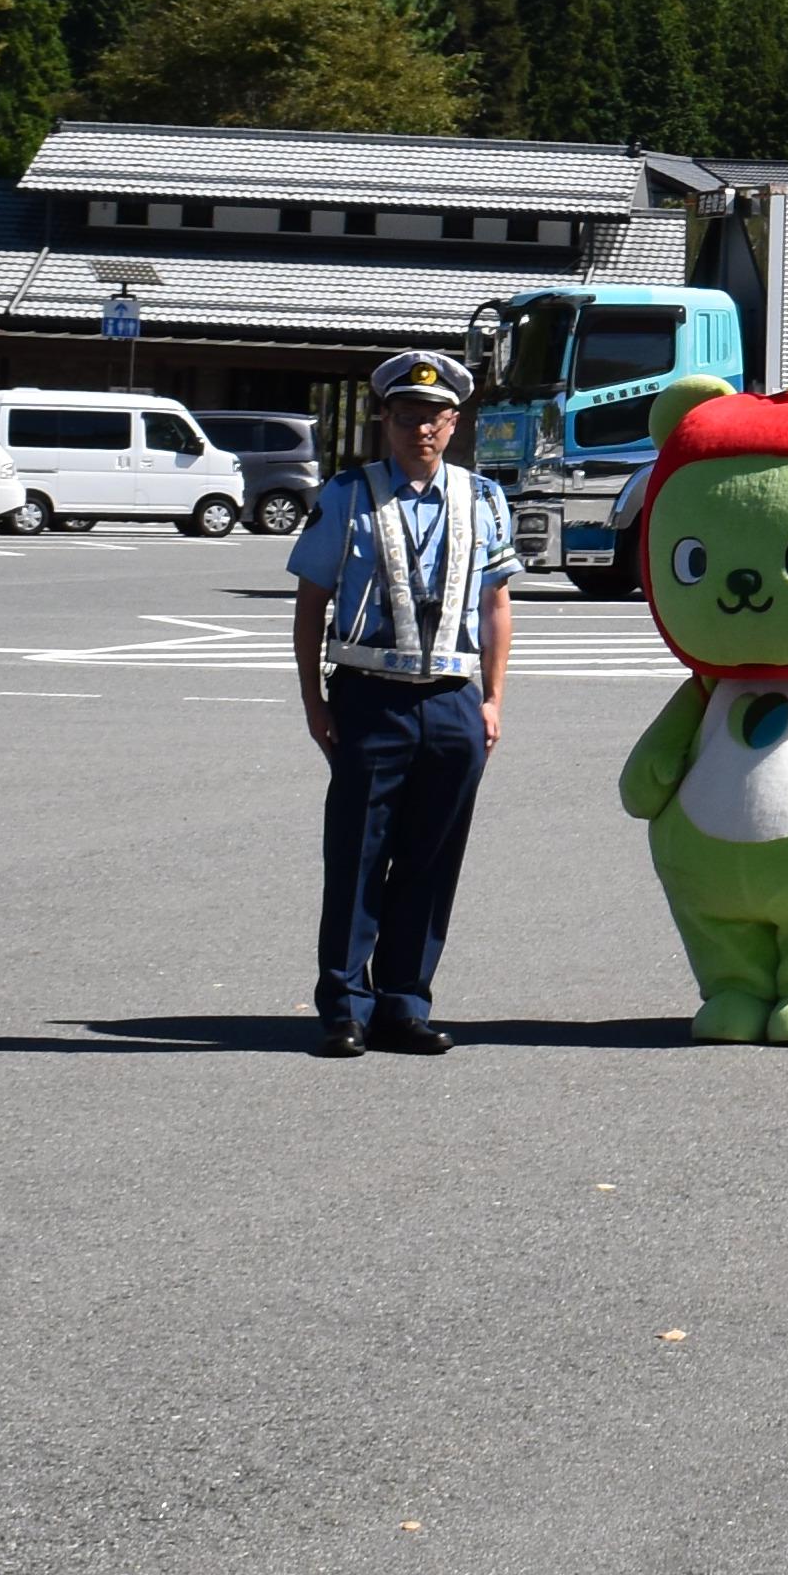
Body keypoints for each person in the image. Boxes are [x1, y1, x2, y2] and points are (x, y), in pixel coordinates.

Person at [287, 347, 519, 1058]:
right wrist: (313, 700)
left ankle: (403, 1003)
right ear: (384, 419)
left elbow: (496, 603)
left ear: (455, 423)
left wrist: (494, 700)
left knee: (431, 857)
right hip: (369, 698)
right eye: (408, 416)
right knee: (357, 854)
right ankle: (342, 1008)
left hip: (454, 702)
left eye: (437, 417)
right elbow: (311, 599)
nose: (423, 429)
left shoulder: (483, 499)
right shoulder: (348, 494)